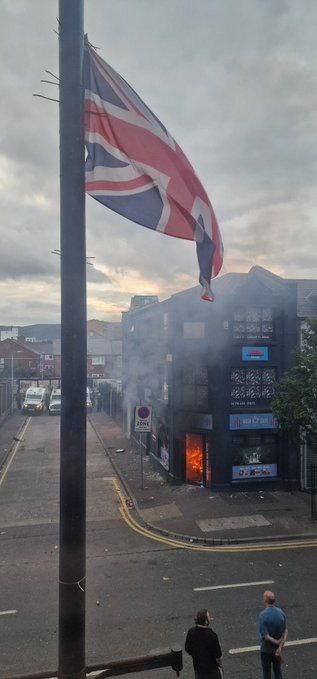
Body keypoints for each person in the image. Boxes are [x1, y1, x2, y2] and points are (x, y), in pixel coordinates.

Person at [185, 609, 223, 679]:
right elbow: (218, 656)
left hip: (198, 669)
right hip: (212, 671)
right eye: (208, 617)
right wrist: (220, 665)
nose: (210, 618)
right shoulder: (212, 635)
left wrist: (196, 655)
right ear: (206, 621)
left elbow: (187, 648)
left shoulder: (191, 632)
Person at [259, 590, 288, 679]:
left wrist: (276, 642)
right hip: (277, 651)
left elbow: (266, 636)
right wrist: (280, 647)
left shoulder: (263, 615)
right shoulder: (280, 612)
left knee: (266, 673)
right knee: (278, 671)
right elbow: (285, 631)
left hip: (266, 650)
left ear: (265, 600)